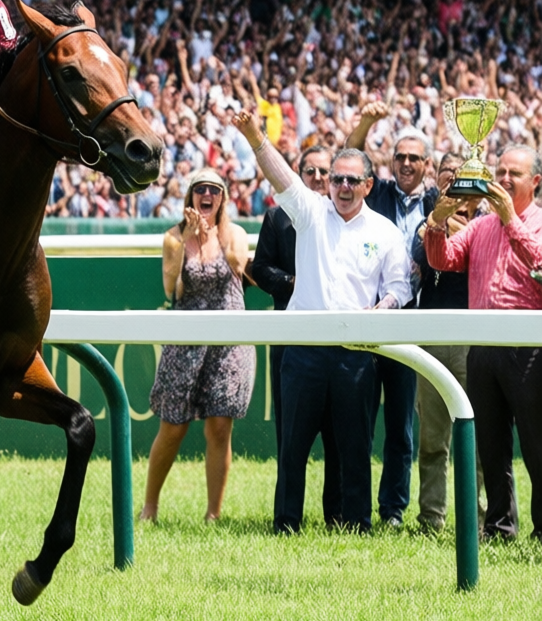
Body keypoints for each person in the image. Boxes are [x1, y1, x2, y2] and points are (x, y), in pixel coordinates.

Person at [236, 110, 411, 534]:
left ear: (369, 185)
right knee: (292, 447)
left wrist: (382, 308)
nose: (343, 187)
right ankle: (286, 524)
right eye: (337, 179)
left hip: (356, 353)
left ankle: (355, 524)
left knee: (354, 448)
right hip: (304, 351)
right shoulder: (310, 213)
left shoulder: (386, 231)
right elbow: (282, 177)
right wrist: (256, 138)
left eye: (353, 180)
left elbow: (400, 287)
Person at [425, 145, 542, 541]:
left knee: (536, 443)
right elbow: (443, 261)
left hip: (528, 349)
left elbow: (539, 262)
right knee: (490, 446)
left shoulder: (537, 222)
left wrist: (511, 219)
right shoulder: (479, 226)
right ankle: (499, 527)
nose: (504, 180)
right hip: (482, 348)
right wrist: (437, 225)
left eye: (515, 174)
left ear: (536, 182)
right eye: (501, 171)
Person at [142, 167, 255, 522]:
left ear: (222, 198)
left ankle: (213, 514)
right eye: (200, 190)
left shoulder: (235, 233)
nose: (207, 196)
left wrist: (214, 237)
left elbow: (239, 266)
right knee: (173, 427)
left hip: (227, 341)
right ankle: (150, 507)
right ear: (190, 195)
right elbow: (169, 287)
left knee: (220, 426)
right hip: (186, 340)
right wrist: (189, 237)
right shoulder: (173, 237)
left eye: (214, 190)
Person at [347, 106, 439, 527]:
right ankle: (357, 510)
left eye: (413, 158)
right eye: (399, 157)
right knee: (360, 423)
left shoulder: (440, 202)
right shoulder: (377, 193)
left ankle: (393, 511)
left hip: (413, 324)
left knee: (401, 426)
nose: (405, 164)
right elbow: (348, 156)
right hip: (369, 321)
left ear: (427, 165)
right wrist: (367, 122)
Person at [249, 144, 341, 527]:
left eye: (325, 172)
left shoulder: (343, 217)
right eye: (311, 172)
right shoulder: (277, 217)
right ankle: (287, 519)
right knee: (291, 436)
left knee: (338, 437)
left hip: (336, 338)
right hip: (289, 336)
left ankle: (338, 516)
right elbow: (259, 269)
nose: (318, 179)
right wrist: (294, 283)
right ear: (298, 175)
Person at [411, 152, 484, 532]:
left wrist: (456, 231)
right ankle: (431, 519)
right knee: (433, 439)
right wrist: (437, 222)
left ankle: (478, 518)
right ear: (438, 182)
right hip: (434, 337)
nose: (455, 183)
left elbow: (478, 259)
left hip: (474, 338)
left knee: (476, 441)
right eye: (447, 176)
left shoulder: (489, 221)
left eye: (462, 176)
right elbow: (420, 255)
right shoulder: (427, 219)